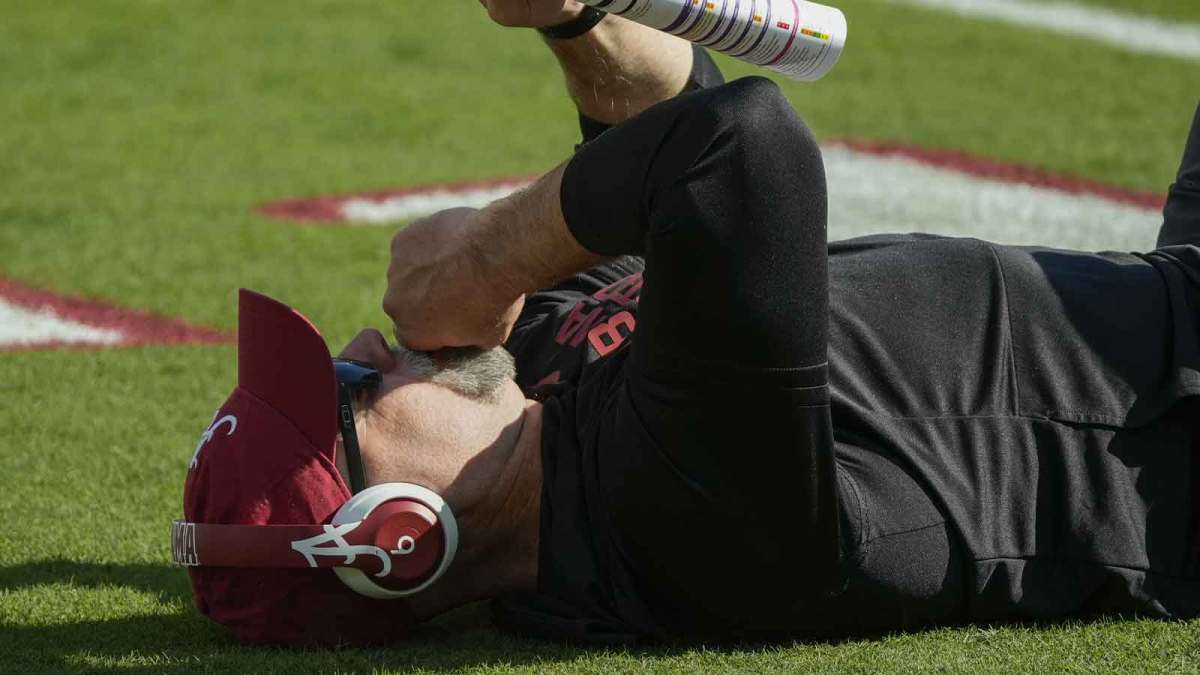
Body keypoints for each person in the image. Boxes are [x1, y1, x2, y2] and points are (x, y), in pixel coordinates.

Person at [179, 0, 1200, 646]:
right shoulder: (674, 519)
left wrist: (576, 22)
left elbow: (656, 131)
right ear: (399, 538)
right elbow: (738, 151)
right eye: (349, 395)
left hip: (1169, 286)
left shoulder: (535, 397)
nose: (363, 347)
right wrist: (489, 251)